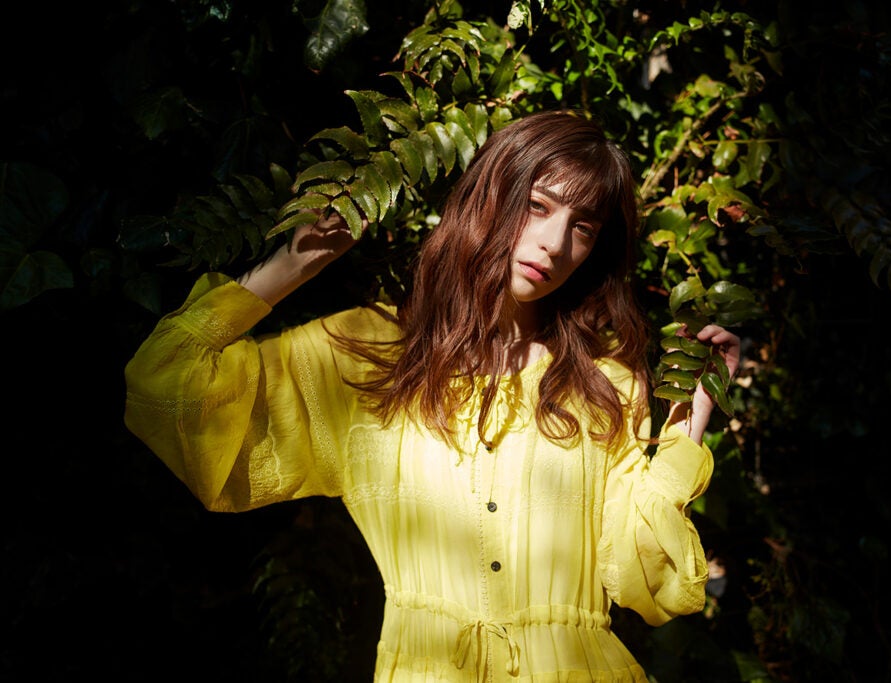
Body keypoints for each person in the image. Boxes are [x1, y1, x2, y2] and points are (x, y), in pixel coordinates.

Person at [124, 109, 740, 681]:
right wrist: (292, 266)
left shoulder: (606, 383)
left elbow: (647, 583)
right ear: (487, 200)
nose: (555, 244)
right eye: (538, 206)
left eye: (582, 228)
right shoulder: (368, 354)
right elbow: (169, 385)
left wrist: (687, 426)